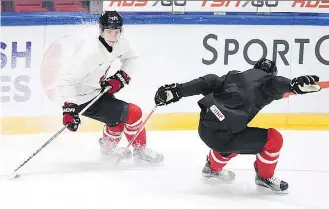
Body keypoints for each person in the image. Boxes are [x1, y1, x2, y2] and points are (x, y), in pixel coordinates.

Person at [154, 58, 321, 193]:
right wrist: (291, 85)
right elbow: (276, 84)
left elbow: (207, 81)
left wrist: (179, 90)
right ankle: (264, 177)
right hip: (226, 137)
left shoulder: (232, 77)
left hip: (205, 128)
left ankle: (212, 168)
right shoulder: (267, 84)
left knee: (233, 133)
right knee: (273, 139)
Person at [57, 11, 163, 164]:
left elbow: (132, 57)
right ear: (101, 31)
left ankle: (108, 148)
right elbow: (66, 80)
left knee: (117, 121)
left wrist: (122, 76)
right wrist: (69, 107)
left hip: (97, 91)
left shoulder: (121, 43)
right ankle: (140, 150)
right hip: (82, 99)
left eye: (117, 32)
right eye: (109, 32)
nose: (113, 36)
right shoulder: (89, 53)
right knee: (134, 113)